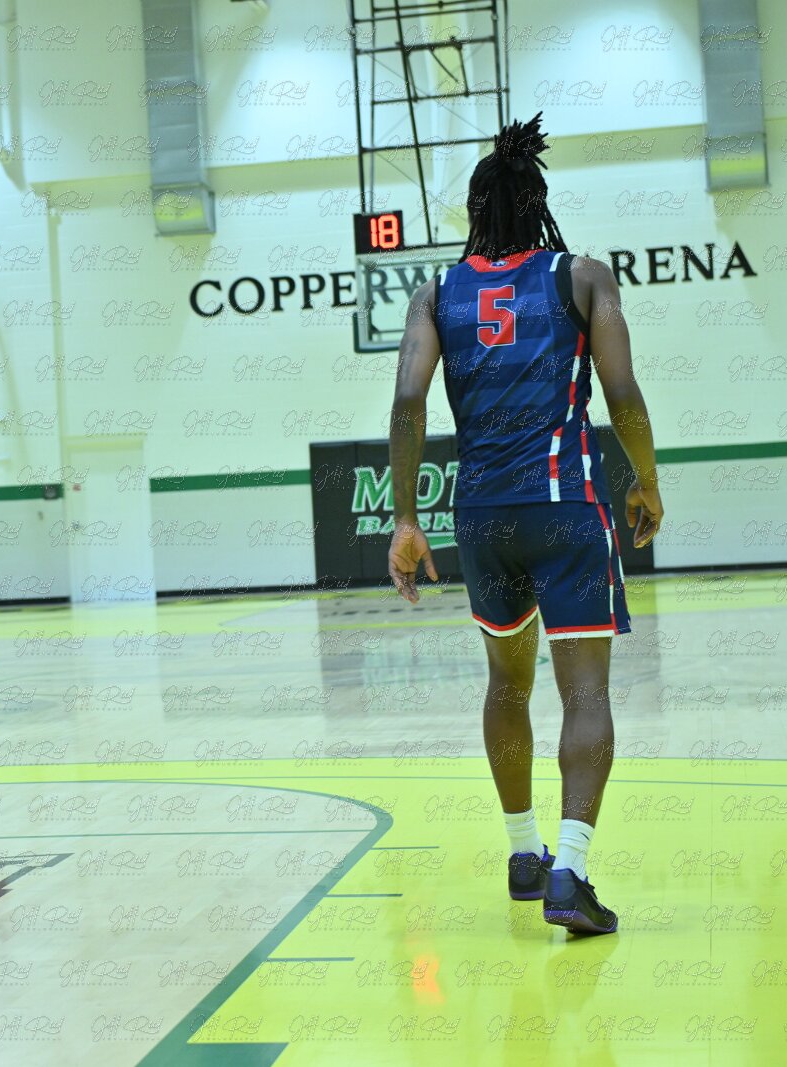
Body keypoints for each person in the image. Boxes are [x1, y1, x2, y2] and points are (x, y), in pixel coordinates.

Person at [388, 115, 662, 938]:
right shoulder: (583, 277)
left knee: (506, 684)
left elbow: (407, 403)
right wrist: (645, 480)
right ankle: (569, 870)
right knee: (586, 692)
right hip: (565, 505)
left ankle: (522, 851)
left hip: (481, 515)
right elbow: (622, 392)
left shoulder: (435, 292)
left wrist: (405, 519)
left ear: (473, 213)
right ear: (539, 204)